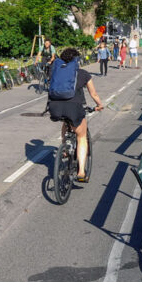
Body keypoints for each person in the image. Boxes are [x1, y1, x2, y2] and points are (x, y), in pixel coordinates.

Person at [48, 48, 104, 182]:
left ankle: (65, 147)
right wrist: (99, 105)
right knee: (81, 136)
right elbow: (93, 94)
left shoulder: (57, 72)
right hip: (74, 108)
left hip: (55, 107)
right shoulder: (83, 74)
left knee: (65, 122)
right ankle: (81, 172)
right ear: (76, 61)